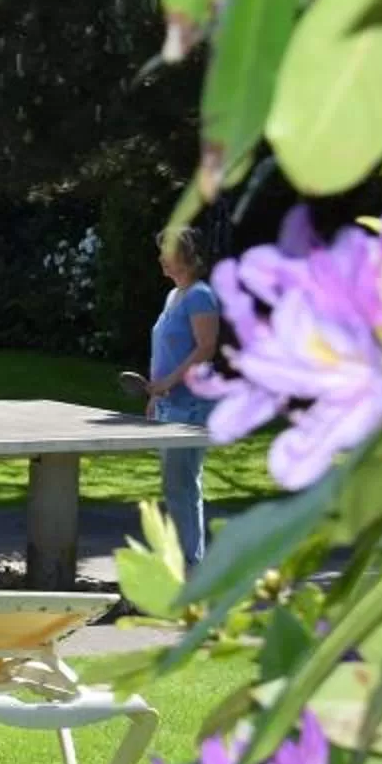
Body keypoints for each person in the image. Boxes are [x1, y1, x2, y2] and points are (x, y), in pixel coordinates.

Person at [134, 227, 221, 561]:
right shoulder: (174, 296)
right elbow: (166, 352)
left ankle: (190, 567)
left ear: (185, 256)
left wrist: (169, 382)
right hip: (171, 403)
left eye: (166, 253)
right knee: (176, 488)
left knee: (183, 487)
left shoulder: (200, 295)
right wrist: (157, 393)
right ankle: (187, 563)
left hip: (193, 405)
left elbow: (206, 347)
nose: (160, 260)